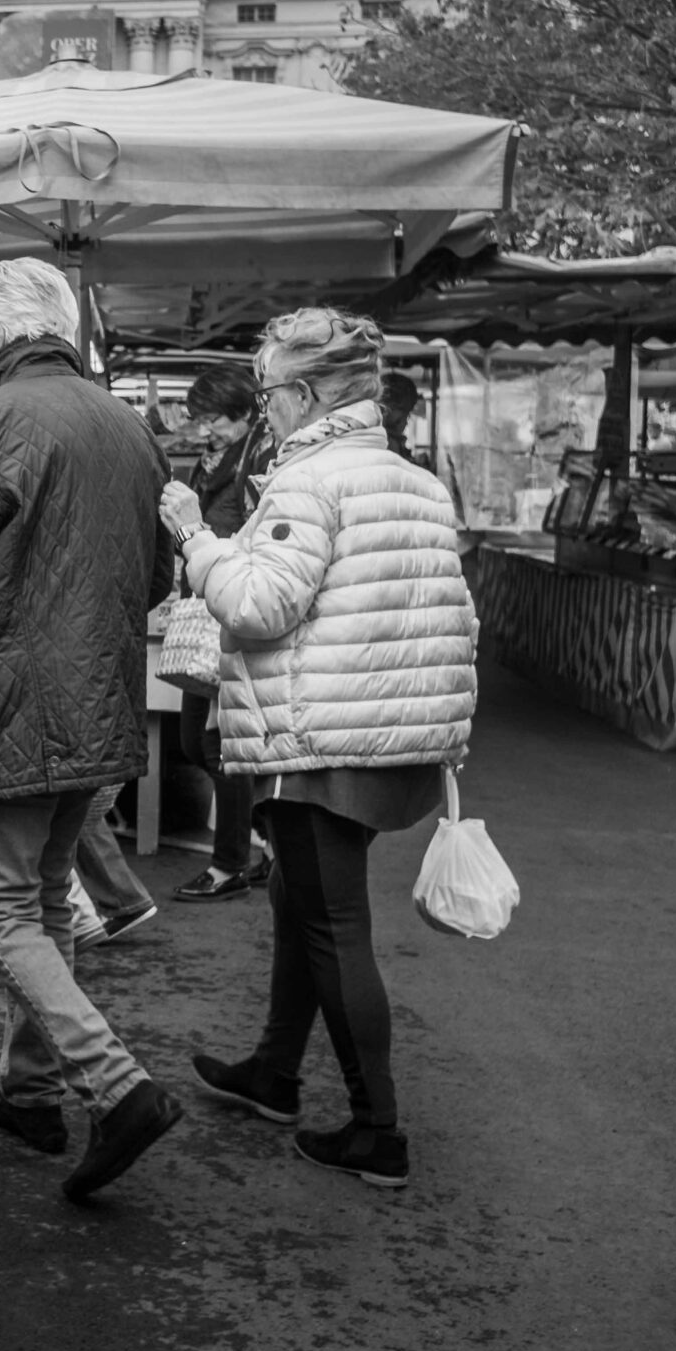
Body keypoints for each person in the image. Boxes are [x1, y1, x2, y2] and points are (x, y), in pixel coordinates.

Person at [166, 308, 477, 1190]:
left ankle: (378, 1128)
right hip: (387, 731)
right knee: (303, 903)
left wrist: (194, 537)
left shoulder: (309, 480)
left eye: (267, 392)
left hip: (325, 738)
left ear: (304, 393)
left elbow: (260, 606)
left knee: (335, 925)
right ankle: (275, 1070)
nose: (262, 407)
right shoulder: (410, 479)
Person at [0, 255, 181, 1203]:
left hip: (13, 699)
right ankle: (30, 1090)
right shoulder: (125, 422)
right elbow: (155, 575)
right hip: (99, 694)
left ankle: (117, 1086)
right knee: (47, 893)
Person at [170, 363, 276, 903]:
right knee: (197, 741)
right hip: (200, 614)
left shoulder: (256, 462)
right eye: (198, 419)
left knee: (219, 745)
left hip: (231, 614)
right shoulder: (204, 467)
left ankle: (230, 863)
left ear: (242, 415)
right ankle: (268, 844)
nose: (203, 429)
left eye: (212, 418)